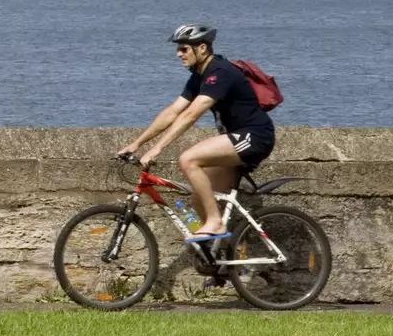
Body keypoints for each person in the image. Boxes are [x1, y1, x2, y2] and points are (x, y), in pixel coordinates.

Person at [117, 24, 277, 242]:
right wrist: (137, 144)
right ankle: (220, 259)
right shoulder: (198, 77)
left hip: (254, 137)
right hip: (233, 139)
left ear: (202, 48)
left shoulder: (221, 73)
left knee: (189, 159)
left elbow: (191, 115)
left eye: (184, 49)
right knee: (199, 199)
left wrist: (156, 149)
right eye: (178, 50)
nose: (178, 54)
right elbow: (173, 112)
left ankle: (216, 222)